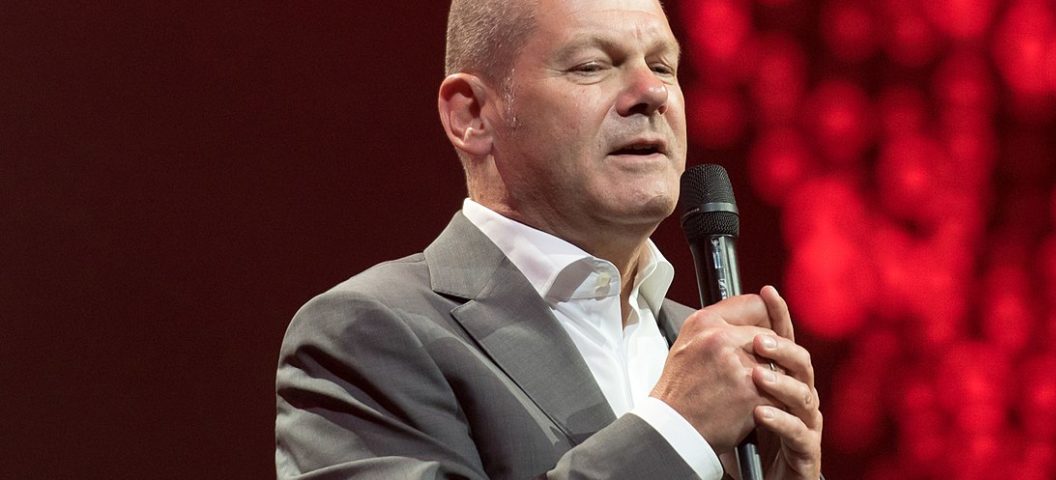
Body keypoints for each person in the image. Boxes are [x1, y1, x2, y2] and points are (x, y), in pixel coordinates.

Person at [274, 0, 823, 478]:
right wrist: (675, 431)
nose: (651, 92)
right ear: (472, 115)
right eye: (592, 66)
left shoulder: (704, 351)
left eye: (662, 66)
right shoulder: (367, 334)